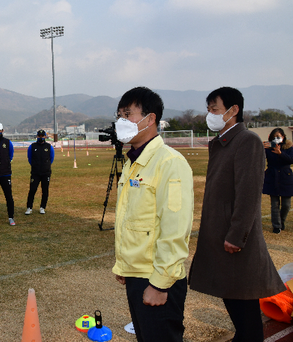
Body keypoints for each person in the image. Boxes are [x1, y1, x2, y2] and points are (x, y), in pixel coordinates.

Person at [189, 87, 284, 342]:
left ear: (233, 110)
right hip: (220, 234)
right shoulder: (221, 142)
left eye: (215, 109)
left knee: (243, 303)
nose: (210, 114)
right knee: (234, 298)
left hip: (234, 240)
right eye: (208, 109)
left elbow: (249, 193)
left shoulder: (247, 140)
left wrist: (237, 235)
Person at [111, 87, 194, 342]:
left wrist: (159, 284)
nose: (121, 121)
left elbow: (175, 229)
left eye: (128, 114)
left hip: (157, 278)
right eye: (119, 115)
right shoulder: (132, 162)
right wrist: (124, 264)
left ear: (151, 118)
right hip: (137, 274)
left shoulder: (170, 162)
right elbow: (131, 219)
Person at [262, 127, 293, 234]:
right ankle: (276, 225)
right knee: (274, 204)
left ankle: (282, 221)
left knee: (286, 204)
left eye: (278, 136)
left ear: (283, 137)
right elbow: (259, 158)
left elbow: (291, 160)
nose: (276, 139)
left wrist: (280, 153)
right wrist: (260, 147)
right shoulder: (268, 148)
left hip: (285, 176)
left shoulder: (289, 147)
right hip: (272, 175)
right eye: (274, 137)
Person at [25, 130, 54, 215]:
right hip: (35, 173)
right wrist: (35, 166)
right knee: (32, 190)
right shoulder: (32, 146)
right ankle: (29, 208)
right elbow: (29, 158)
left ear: (45, 137)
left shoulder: (49, 146)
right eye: (39, 136)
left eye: (42, 136)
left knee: (45, 191)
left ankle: (42, 207)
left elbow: (51, 158)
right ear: (37, 136)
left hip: (46, 173)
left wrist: (46, 166)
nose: (40, 137)